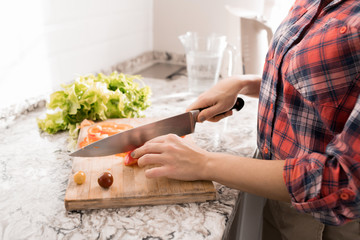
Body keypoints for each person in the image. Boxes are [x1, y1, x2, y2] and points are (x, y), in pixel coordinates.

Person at [132, 0, 360, 239]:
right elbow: (323, 83)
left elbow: (346, 181)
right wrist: (242, 83)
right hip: (279, 197)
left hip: (326, 223)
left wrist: (202, 163)